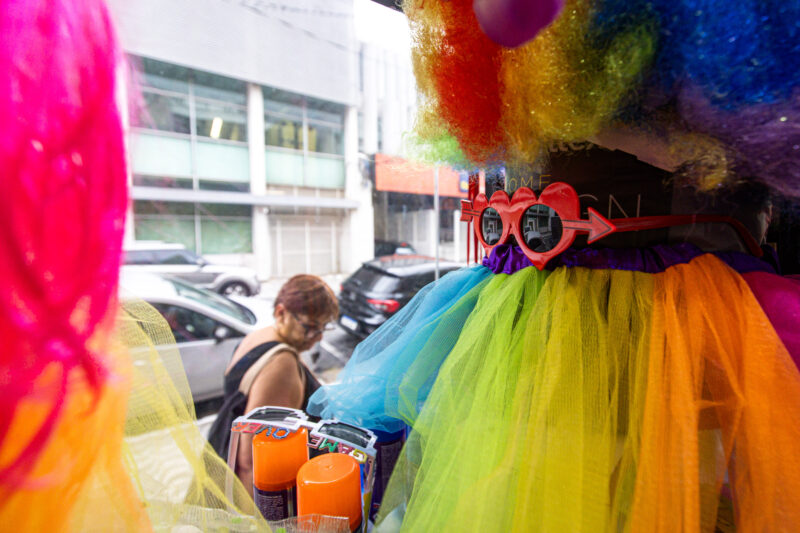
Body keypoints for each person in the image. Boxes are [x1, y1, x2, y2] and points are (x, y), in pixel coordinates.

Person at [207, 274, 338, 496]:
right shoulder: (281, 366)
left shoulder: (259, 337)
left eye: (324, 328)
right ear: (281, 312)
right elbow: (251, 462)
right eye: (311, 327)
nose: (317, 337)